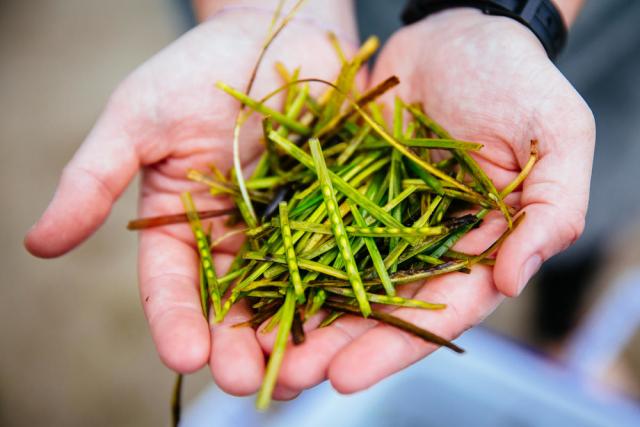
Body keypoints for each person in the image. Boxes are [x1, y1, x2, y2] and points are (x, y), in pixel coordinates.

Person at [24, 0, 594, 401]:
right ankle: (558, 333)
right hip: (313, 32)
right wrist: (270, 9)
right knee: (525, 238)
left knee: (551, 224)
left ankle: (559, 334)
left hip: (574, 36)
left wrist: (504, 12)